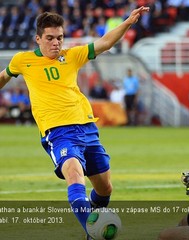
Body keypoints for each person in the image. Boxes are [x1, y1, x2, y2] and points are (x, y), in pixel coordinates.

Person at [0, 6, 149, 239]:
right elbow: (3, 76)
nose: (56, 43)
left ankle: (96, 220)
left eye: (59, 38)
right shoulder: (23, 60)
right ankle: (92, 232)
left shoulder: (72, 56)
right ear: (38, 38)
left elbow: (105, 43)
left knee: (105, 188)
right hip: (58, 132)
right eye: (49, 38)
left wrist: (128, 21)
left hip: (87, 128)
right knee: (74, 173)